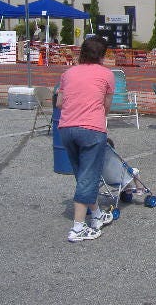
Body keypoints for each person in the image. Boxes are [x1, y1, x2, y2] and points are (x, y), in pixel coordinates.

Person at [57, 37, 115, 242]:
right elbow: (106, 106)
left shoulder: (68, 73)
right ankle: (78, 228)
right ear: (102, 55)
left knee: (82, 175)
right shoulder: (107, 75)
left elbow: (59, 102)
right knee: (88, 176)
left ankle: (97, 215)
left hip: (66, 128)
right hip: (92, 128)